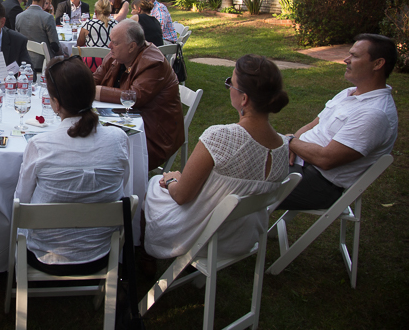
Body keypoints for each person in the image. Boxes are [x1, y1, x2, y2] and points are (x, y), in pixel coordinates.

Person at [144, 55, 291, 259]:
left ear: (244, 98)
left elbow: (181, 196)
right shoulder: (283, 147)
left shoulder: (221, 137)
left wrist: (172, 180)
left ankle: (141, 255)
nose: (229, 87)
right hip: (243, 238)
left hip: (198, 236)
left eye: (231, 83)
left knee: (152, 183)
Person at [15, 56, 130, 275]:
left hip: (44, 254)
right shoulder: (119, 139)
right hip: (101, 252)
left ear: (55, 103)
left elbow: (21, 201)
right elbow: (123, 190)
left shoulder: (39, 145)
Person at [279, 34, 398, 210]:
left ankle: (239, 233)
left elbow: (326, 159)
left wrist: (289, 141)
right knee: (233, 163)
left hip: (316, 183)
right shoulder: (349, 93)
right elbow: (313, 125)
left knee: (238, 184)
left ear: (378, 64)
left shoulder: (374, 114)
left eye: (355, 56)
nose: (346, 60)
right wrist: (290, 146)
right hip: (298, 163)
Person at [93, 20, 183, 170]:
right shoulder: (117, 56)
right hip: (118, 121)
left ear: (132, 47)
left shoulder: (154, 63)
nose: (109, 46)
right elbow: (95, 78)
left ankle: (115, 187)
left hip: (150, 134)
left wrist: (96, 91)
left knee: (99, 147)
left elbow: (135, 97)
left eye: (114, 42)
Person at [15, 0, 60, 71]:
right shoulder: (47, 17)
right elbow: (55, 45)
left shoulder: (19, 17)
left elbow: (17, 41)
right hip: (43, 62)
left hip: (24, 61)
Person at [77, 0, 115, 72]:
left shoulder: (87, 25)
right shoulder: (116, 25)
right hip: (110, 62)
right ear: (110, 12)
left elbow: (79, 44)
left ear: (95, 12)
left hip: (90, 62)